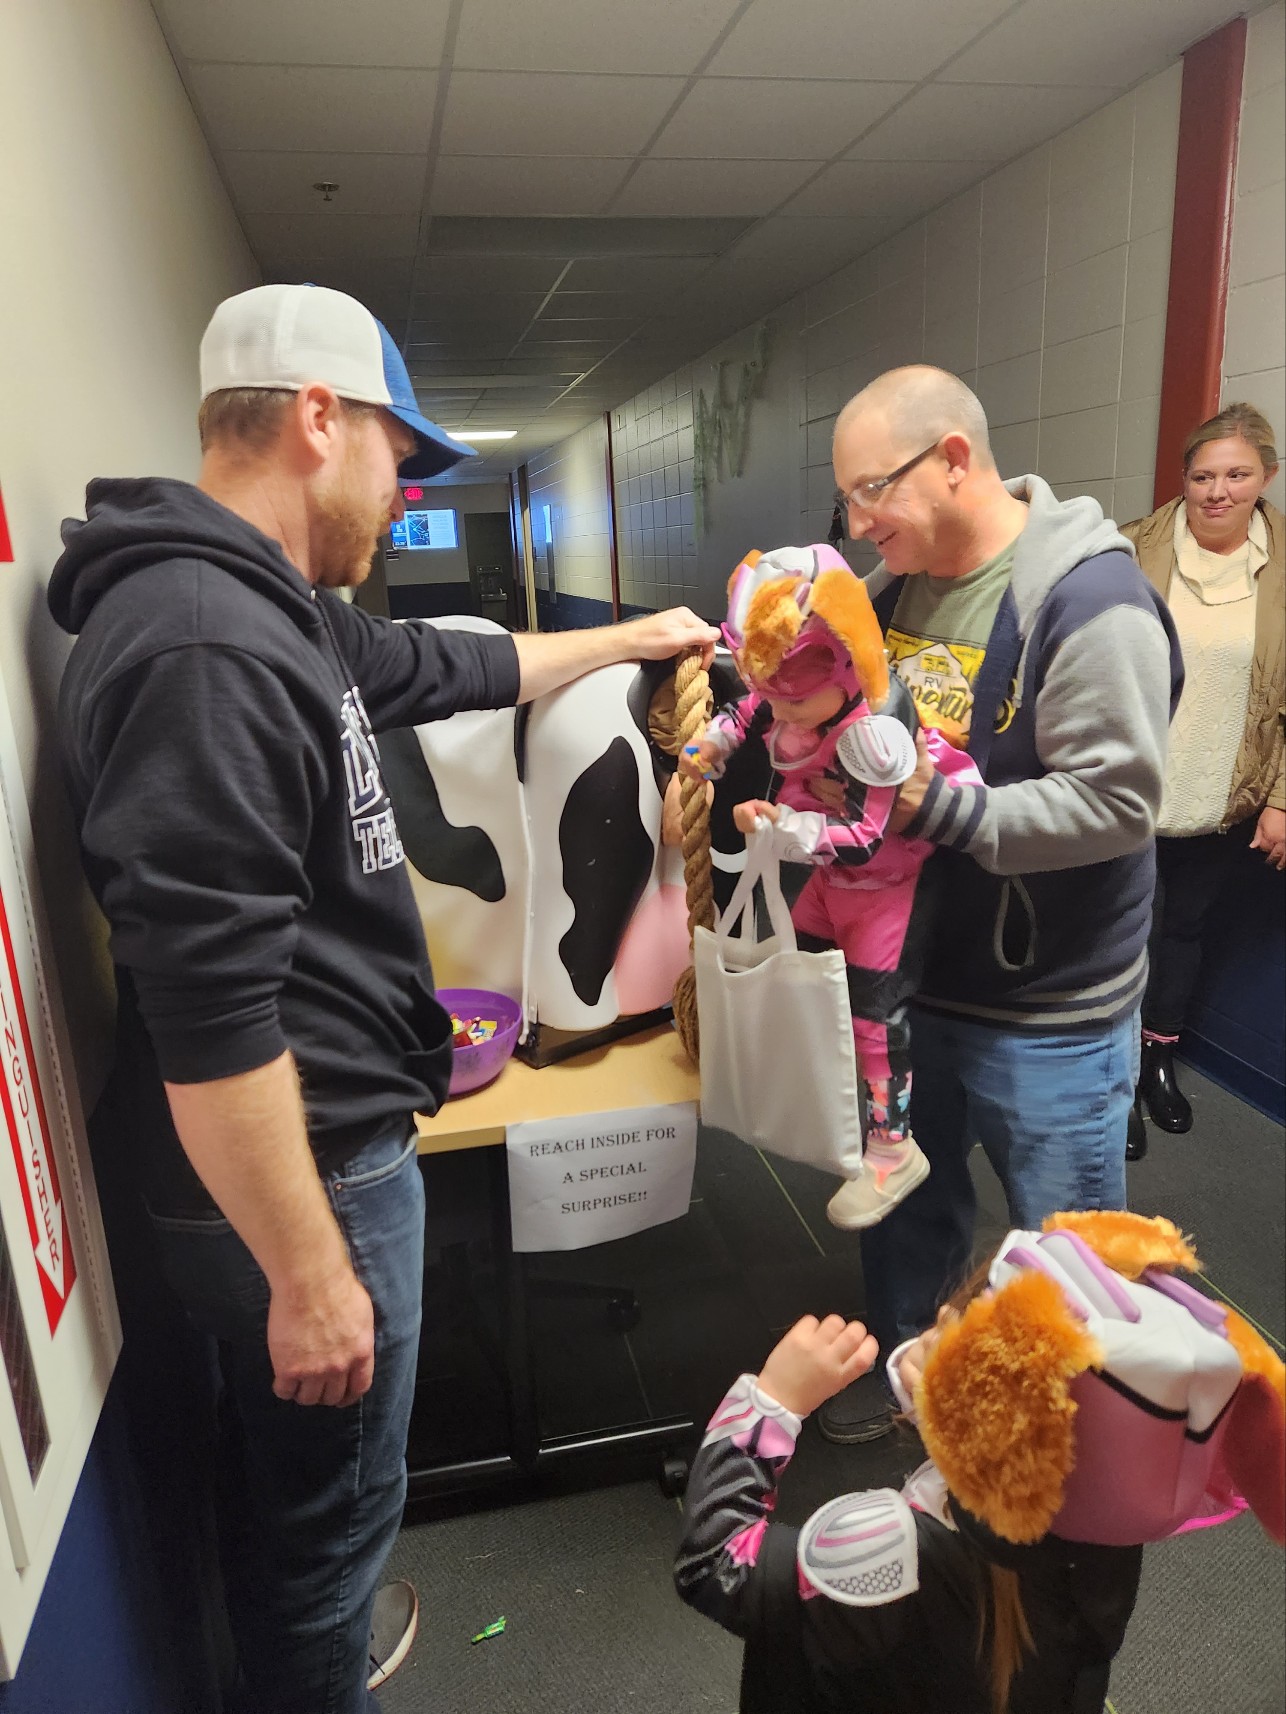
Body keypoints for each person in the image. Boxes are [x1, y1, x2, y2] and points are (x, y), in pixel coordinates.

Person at [46, 282, 717, 1714]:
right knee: (330, 1530)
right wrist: (307, 1275)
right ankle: (316, 1665)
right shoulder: (206, 645)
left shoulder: (265, 609)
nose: (401, 490)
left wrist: (631, 638)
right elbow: (212, 1006)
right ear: (315, 420)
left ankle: (311, 1647)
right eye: (396, 457)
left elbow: (452, 662)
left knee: (298, 1503)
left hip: (307, 1152)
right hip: (303, 1172)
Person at [818, 366, 1182, 1447]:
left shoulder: (1086, 598)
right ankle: (909, 1389)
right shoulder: (884, 599)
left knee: (1067, 1255)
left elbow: (1117, 802)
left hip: (1050, 1009)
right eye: (845, 500)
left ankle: (1074, 1455)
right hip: (914, 987)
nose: (856, 521)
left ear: (953, 461)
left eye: (868, 491)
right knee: (906, 1215)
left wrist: (934, 809)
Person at [674, 1209, 1285, 1714]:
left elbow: (718, 1564)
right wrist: (947, 1403)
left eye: (971, 1327)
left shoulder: (883, 1546)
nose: (944, 1320)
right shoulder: (1104, 1525)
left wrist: (772, 1402)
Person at [680, 544, 980, 1228]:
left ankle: (892, 1148)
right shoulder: (789, 688)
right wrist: (715, 745)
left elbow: (872, 836)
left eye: (796, 705)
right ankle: (829, 1095)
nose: (782, 719)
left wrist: (790, 828)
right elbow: (751, 709)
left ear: (843, 661)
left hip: (883, 886)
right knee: (805, 981)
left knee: (876, 1022)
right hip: (825, 879)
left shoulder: (876, 733)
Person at [1119, 404, 1284, 1148]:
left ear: (1266, 478)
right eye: (1203, 475)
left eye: (1237, 475)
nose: (1218, 491)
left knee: (1183, 931)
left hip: (1224, 795)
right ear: (1183, 479)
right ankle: (1111, 1077)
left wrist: (1282, 800)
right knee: (1116, 940)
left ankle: (1158, 1062)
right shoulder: (1127, 551)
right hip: (1127, 792)